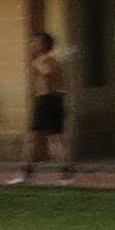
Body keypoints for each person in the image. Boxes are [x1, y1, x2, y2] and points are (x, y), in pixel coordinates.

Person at [17, 30, 75, 186]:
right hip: (50, 100)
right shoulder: (50, 60)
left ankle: (28, 173)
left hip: (46, 100)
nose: (32, 45)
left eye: (35, 42)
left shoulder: (45, 60)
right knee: (49, 138)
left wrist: (36, 65)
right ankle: (65, 171)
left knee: (41, 138)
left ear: (43, 45)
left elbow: (47, 73)